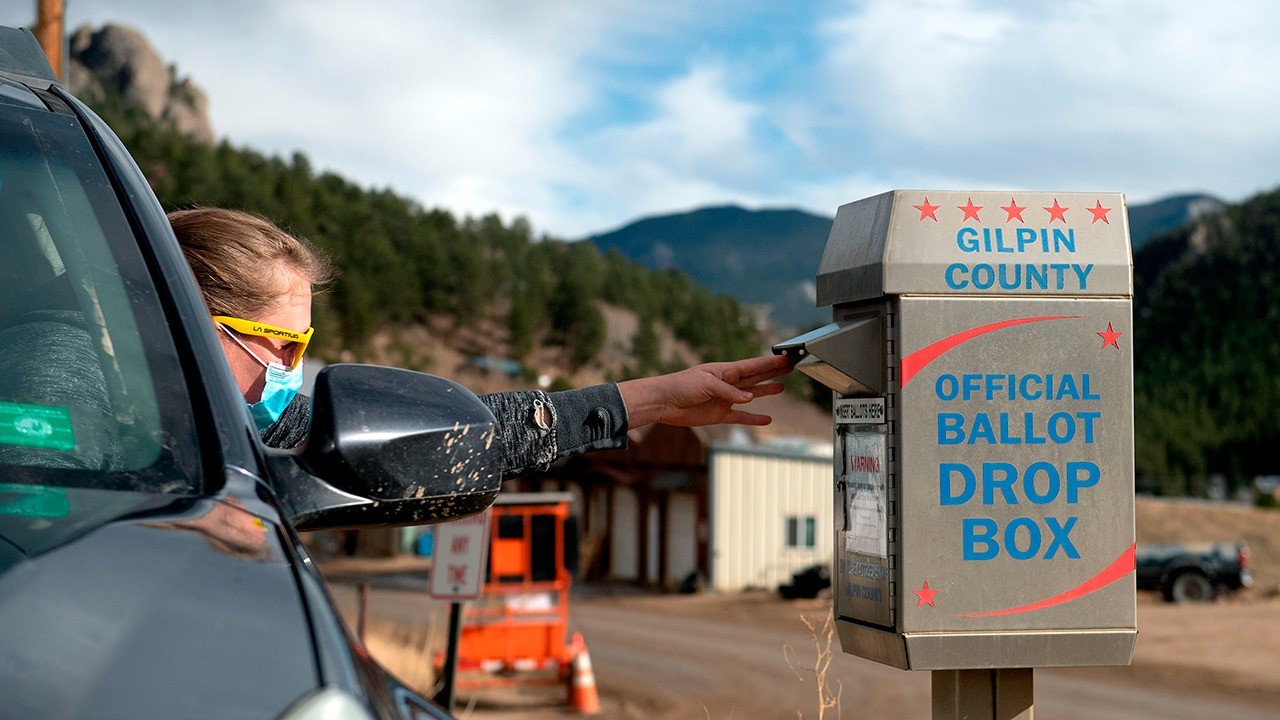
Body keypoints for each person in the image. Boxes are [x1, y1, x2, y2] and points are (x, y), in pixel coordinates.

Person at [169, 207, 793, 478]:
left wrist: (654, 399)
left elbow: (469, 429)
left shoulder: (262, 432)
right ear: (190, 320)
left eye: (303, 344)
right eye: (280, 344)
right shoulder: (93, 425)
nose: (292, 369)